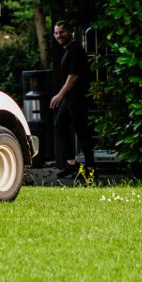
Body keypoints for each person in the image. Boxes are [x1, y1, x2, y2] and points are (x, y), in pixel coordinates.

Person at [50, 20, 95, 178]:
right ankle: (71, 164)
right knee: (60, 126)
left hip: (77, 98)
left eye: (61, 32)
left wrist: (60, 94)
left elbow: (74, 76)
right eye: (56, 33)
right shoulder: (68, 50)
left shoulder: (76, 50)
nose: (58, 36)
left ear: (70, 32)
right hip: (69, 98)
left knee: (82, 132)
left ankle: (90, 170)